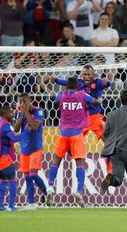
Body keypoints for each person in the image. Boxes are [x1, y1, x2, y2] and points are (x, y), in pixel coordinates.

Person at [46, 77, 100, 207]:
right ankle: (79, 191)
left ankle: (50, 187)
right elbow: (96, 102)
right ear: (77, 86)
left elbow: (56, 100)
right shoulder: (82, 95)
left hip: (63, 134)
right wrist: (89, 103)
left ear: (66, 87)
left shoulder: (61, 96)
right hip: (77, 135)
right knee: (80, 163)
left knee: (56, 161)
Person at [0, 106, 29, 211]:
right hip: (3, 158)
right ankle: (11, 206)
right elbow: (14, 138)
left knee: (3, 180)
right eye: (10, 112)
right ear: (4, 114)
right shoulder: (5, 126)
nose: (13, 114)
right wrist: (26, 132)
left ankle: (0, 205)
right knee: (12, 181)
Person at [14, 93, 47, 210]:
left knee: (33, 174)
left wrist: (26, 112)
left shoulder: (38, 111)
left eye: (24, 101)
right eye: (20, 102)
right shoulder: (20, 112)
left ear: (30, 100)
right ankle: (31, 203)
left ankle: (47, 193)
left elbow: (34, 126)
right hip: (24, 148)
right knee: (27, 176)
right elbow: (16, 129)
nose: (22, 104)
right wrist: (22, 114)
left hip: (36, 148)